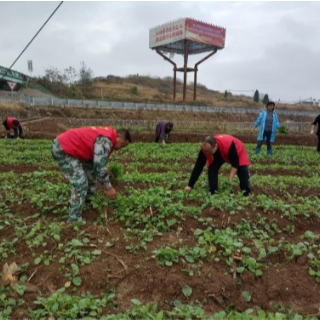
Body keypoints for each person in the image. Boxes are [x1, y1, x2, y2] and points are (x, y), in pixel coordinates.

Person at [51, 126, 131, 223]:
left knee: (91, 174)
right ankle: (74, 219)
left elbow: (95, 165)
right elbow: (99, 166)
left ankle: (88, 201)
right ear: (118, 137)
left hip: (71, 148)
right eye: (122, 145)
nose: (120, 148)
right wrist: (108, 187)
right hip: (63, 148)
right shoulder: (106, 140)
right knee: (80, 183)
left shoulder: (107, 135)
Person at [184, 134, 251, 196]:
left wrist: (229, 181)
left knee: (242, 170)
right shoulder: (205, 149)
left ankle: (246, 193)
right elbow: (198, 166)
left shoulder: (229, 145)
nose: (206, 153)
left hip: (237, 150)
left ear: (215, 146)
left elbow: (235, 164)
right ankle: (213, 192)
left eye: (208, 151)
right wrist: (190, 185)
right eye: (205, 151)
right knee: (212, 168)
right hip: (220, 152)